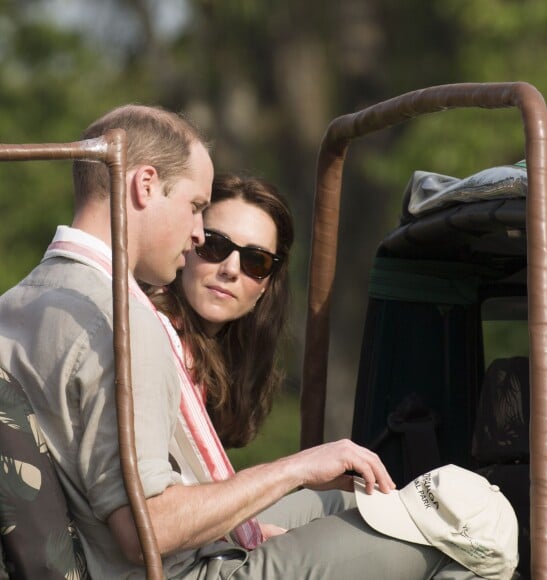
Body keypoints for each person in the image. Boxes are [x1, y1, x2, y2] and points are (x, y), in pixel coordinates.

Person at [0, 104, 487, 579]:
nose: (196, 234)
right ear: (144, 185)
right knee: (468, 534)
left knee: (351, 503)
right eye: (196, 209)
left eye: (257, 262)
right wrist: (297, 467)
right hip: (179, 569)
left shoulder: (20, 301)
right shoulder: (124, 325)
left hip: (114, 553)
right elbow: (147, 528)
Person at [148, 173, 293, 450]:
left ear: (268, 284)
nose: (230, 269)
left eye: (256, 261)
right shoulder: (153, 333)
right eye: (215, 245)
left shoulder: (230, 360)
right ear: (189, 243)